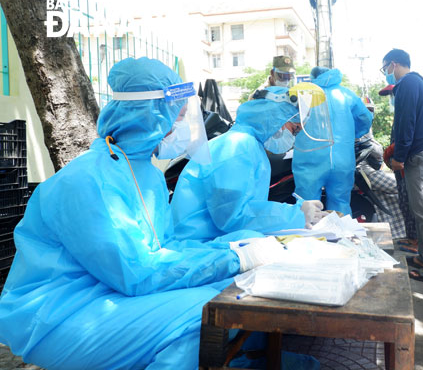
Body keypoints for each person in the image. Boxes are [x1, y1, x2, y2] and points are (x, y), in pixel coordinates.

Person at [0, 57, 281, 370]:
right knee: (206, 312)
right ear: (151, 114)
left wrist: (234, 248)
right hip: (56, 318)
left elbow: (165, 250)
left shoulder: (148, 174)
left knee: (235, 287)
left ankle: (251, 361)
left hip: (108, 294)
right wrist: (233, 258)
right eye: (179, 116)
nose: (183, 127)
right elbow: (137, 273)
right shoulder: (87, 181)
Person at [172, 84, 327, 241]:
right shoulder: (237, 147)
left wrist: (296, 212)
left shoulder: (249, 145)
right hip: (197, 243)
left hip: (210, 238)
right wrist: (296, 214)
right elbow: (232, 216)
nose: (293, 137)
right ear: (274, 117)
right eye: (294, 130)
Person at [381, 49, 423, 284]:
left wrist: (399, 156)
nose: (386, 73)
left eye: (385, 67)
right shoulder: (416, 82)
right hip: (418, 154)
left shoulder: (407, 83)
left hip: (417, 156)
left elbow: (406, 123)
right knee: (420, 212)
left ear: (393, 64)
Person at [292, 67, 373, 214]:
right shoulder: (346, 94)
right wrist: (352, 133)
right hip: (342, 158)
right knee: (340, 202)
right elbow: (365, 118)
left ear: (312, 77)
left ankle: (308, 235)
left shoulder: (303, 94)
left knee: (307, 206)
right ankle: (340, 234)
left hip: (309, 158)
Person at [380, 84, 418, 250]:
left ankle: (416, 242)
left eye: (392, 95)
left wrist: (390, 152)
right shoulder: (397, 115)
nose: (391, 99)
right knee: (404, 202)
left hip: (406, 165)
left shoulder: (407, 112)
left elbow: (406, 139)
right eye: (389, 95)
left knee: (411, 204)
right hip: (399, 167)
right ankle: (411, 239)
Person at [355, 132, 409, 239]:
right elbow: (395, 186)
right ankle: (402, 233)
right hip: (364, 172)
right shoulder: (368, 171)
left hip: (360, 175)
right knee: (405, 193)